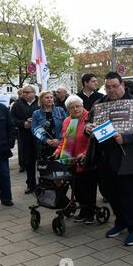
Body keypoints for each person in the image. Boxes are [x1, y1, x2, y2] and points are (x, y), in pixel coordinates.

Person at [85, 72, 133, 246]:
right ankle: (120, 222)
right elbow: (88, 124)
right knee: (110, 192)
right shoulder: (99, 104)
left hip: (127, 156)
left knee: (129, 194)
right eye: (108, 87)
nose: (111, 90)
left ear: (123, 86)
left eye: (115, 86)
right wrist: (87, 128)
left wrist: (126, 139)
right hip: (104, 156)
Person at [53, 95, 96, 223]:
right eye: (72, 107)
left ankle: (90, 213)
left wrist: (84, 153)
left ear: (83, 106)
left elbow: (92, 141)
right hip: (71, 160)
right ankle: (83, 211)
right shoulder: (67, 121)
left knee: (88, 188)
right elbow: (64, 140)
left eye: (78, 106)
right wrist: (57, 151)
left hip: (86, 159)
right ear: (68, 109)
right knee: (76, 188)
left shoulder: (90, 118)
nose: (76, 109)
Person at [11, 85, 40, 194]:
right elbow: (12, 119)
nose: (24, 94)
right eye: (24, 92)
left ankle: (43, 183)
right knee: (29, 161)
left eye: (27, 92)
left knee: (42, 161)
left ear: (33, 93)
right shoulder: (17, 105)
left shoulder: (40, 102)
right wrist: (23, 123)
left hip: (40, 137)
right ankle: (31, 184)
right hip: (25, 136)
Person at [0, 86, 16, 206]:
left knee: (4, 175)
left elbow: (11, 126)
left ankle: (6, 198)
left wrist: (10, 142)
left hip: (1, 148)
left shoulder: (2, 108)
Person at [31, 90, 67, 160]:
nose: (50, 99)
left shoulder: (60, 111)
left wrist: (59, 139)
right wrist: (45, 140)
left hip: (60, 145)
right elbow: (34, 130)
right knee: (45, 169)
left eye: (51, 97)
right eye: (47, 97)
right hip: (43, 147)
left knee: (59, 169)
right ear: (41, 100)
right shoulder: (36, 113)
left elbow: (66, 127)